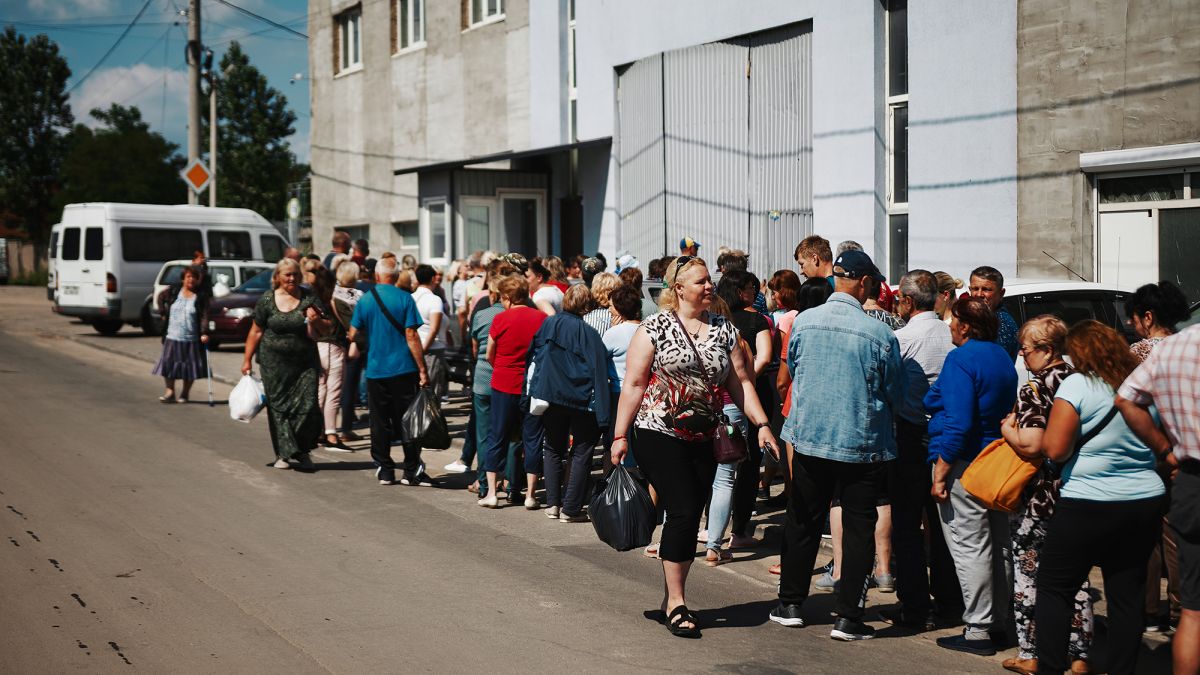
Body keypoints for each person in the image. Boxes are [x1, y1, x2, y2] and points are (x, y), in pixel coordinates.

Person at [610, 255, 778, 639]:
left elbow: (742, 384)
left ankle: (672, 594)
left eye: (710, 281)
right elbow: (633, 386)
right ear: (678, 289)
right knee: (684, 509)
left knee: (691, 510)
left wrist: (763, 425)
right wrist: (619, 436)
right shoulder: (653, 329)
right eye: (701, 281)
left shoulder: (724, 330)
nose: (709, 287)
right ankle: (678, 602)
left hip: (705, 436)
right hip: (657, 431)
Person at [771, 249, 904, 641]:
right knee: (860, 526)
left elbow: (794, 370)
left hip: (811, 438)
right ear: (864, 284)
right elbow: (894, 389)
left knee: (803, 519)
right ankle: (848, 617)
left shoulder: (805, 322)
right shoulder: (880, 333)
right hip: (861, 443)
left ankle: (791, 603)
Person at [1034, 321, 1166, 675]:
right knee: (1127, 594)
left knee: (1054, 588)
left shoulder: (1077, 385)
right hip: (1143, 499)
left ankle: (1049, 668)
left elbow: (1056, 449)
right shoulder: (1144, 386)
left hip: (1087, 500)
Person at [998, 316, 1092, 675]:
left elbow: (1034, 443)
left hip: (1039, 495)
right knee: (1075, 574)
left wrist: (1008, 430)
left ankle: (1031, 651)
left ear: (1047, 350)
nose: (1022, 357)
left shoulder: (1035, 389)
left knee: (1029, 572)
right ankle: (1079, 654)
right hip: (1075, 490)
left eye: (1026, 350)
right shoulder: (1079, 380)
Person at [925, 295, 1018, 656]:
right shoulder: (1000, 357)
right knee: (999, 546)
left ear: (964, 325)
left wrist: (941, 473)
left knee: (970, 546)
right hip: (995, 460)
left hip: (964, 463)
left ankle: (977, 628)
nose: (948, 325)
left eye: (951, 321)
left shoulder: (961, 359)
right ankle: (1001, 623)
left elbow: (960, 423)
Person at [877, 270, 961, 631]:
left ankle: (914, 606)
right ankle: (948, 602)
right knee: (943, 525)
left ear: (908, 302)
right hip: (946, 438)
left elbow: (887, 388)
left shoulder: (902, 338)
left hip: (911, 438)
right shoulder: (953, 335)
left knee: (908, 526)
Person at [1116, 324, 1200, 675]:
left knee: (1195, 612)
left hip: (1192, 479)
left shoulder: (1173, 347)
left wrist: (1168, 449)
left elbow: (1125, 397)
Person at [1123, 281, 1190, 636]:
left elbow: (1124, 401)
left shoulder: (1141, 352)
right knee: (1175, 535)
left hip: (1148, 449)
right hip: (1183, 450)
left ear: (1147, 318)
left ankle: (1149, 610)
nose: (1133, 325)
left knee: (1146, 536)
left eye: (1134, 318)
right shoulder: (1189, 348)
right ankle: (1182, 608)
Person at [703, 270, 772, 565]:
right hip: (733, 412)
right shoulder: (741, 340)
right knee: (725, 480)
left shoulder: (700, 339)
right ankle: (715, 546)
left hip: (702, 410)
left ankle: (678, 535)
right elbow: (751, 378)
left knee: (698, 477)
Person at [346, 257, 433, 487]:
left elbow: (353, 332)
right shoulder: (405, 298)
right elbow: (412, 336)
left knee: (379, 421)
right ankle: (411, 469)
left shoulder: (365, 300)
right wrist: (423, 369)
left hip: (376, 370)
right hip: (403, 368)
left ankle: (385, 469)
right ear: (396, 276)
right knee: (408, 421)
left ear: (377, 276)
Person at [529, 285, 612, 521]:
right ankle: (571, 508)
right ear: (587, 306)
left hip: (551, 395)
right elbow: (599, 370)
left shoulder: (548, 324)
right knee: (582, 450)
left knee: (553, 447)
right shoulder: (588, 333)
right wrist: (604, 417)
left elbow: (532, 356)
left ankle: (553, 504)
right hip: (581, 398)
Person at [241, 258, 331, 471]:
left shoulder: (309, 297)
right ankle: (284, 453)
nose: (292, 278)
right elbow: (256, 331)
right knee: (279, 409)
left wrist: (316, 320)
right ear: (277, 277)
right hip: (274, 364)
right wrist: (246, 359)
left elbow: (327, 328)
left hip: (305, 363)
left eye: (295, 275)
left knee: (308, 406)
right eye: (287, 274)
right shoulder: (267, 299)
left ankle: (301, 450)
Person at [479, 276, 548, 508]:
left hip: (503, 383)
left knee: (497, 436)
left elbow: (490, 352)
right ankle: (530, 495)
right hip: (532, 386)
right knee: (532, 438)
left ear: (507, 297)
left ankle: (491, 493)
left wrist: (501, 365)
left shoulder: (500, 319)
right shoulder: (540, 318)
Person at [152, 265, 211, 403]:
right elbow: (160, 297)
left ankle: (185, 393)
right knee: (168, 364)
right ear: (183, 279)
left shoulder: (201, 296)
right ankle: (170, 392)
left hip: (191, 338)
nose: (191, 280)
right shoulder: (173, 291)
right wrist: (162, 313)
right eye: (188, 277)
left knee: (189, 367)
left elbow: (204, 315)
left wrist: (204, 332)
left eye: (194, 277)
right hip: (172, 336)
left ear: (198, 280)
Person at [310, 264, 349, 450]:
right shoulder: (335, 299)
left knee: (320, 390)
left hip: (318, 345)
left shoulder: (311, 299)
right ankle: (331, 434)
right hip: (333, 345)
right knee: (333, 391)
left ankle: (315, 430)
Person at [331, 261, 365, 444]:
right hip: (354, 344)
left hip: (347, 342)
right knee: (347, 387)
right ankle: (345, 428)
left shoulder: (335, 295)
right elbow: (354, 322)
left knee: (345, 386)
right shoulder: (357, 296)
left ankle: (341, 427)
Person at [1126, 280, 1190, 362]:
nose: (1129, 322)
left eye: (1132, 318)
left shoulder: (1140, 351)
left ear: (1148, 318)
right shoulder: (1187, 347)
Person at [968, 266, 1019, 360]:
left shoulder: (1002, 323)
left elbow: (989, 361)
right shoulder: (975, 319)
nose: (979, 294)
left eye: (986, 289)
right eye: (975, 289)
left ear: (1001, 293)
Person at [412, 264, 446, 359]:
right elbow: (433, 329)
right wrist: (422, 351)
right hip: (431, 351)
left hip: (413, 348)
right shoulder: (435, 299)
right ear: (432, 278)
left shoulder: (410, 298)